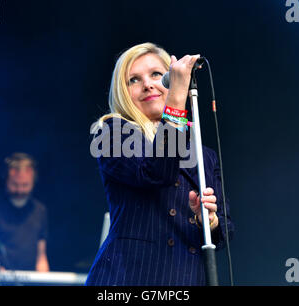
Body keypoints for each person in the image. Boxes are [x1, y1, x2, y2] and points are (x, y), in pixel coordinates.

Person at [86, 43, 234, 286]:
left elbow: (225, 231)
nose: (148, 84)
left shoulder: (204, 154)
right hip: (131, 278)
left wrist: (209, 220)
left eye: (156, 74)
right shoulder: (112, 134)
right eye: (134, 80)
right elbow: (156, 172)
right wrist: (176, 96)